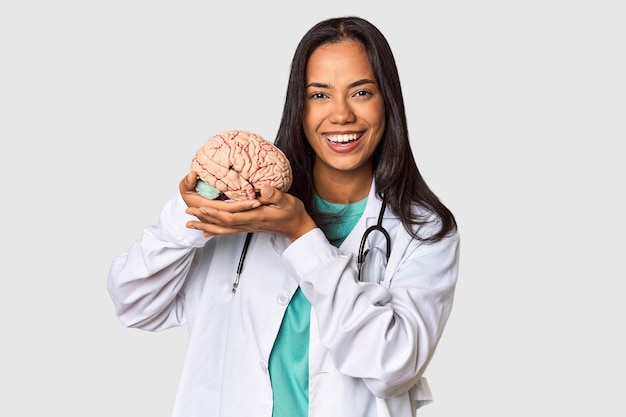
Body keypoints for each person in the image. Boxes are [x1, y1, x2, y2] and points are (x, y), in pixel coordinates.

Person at [107, 16, 460, 417]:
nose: (341, 115)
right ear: (299, 104)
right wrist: (190, 215)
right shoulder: (240, 205)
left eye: (361, 92)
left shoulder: (423, 230)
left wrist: (300, 233)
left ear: (388, 101)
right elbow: (135, 304)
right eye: (319, 95)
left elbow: (393, 367)